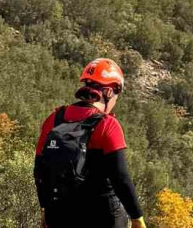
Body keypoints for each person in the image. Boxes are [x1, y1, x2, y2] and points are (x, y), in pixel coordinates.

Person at [34, 58, 146, 228]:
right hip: (102, 217)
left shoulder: (54, 119)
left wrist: (45, 208)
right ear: (109, 92)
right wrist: (137, 218)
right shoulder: (108, 125)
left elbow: (39, 171)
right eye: (117, 95)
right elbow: (120, 178)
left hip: (60, 214)